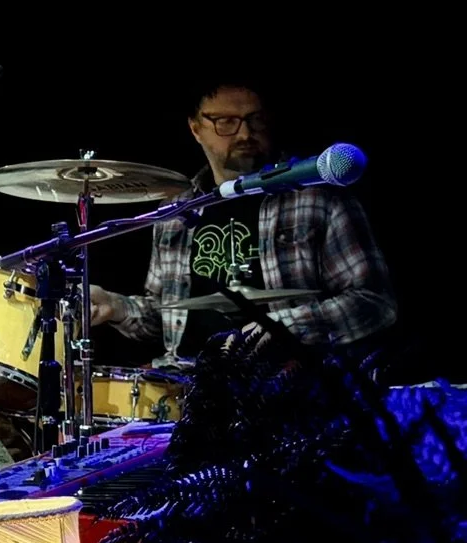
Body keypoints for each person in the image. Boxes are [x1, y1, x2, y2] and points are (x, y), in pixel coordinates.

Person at [89, 82, 395, 358]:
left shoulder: (317, 197)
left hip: (289, 390)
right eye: (226, 122)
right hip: (192, 391)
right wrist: (115, 307)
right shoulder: (176, 209)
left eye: (255, 119)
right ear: (196, 128)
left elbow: (374, 303)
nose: (245, 134)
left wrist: (280, 327)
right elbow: (163, 317)